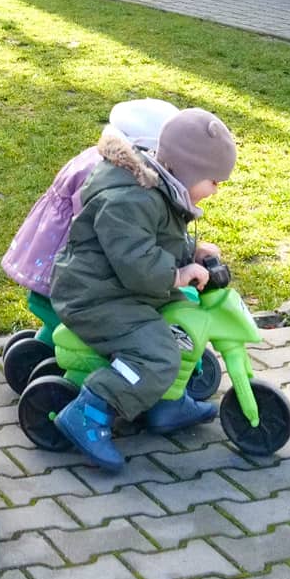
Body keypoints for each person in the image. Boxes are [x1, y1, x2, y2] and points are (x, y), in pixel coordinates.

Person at [48, 107, 239, 470]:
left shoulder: (159, 189)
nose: (216, 189)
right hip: (94, 296)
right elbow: (135, 259)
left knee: (182, 326)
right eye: (214, 180)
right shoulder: (130, 198)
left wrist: (191, 252)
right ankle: (90, 410)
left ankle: (165, 402)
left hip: (120, 288)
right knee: (157, 354)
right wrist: (177, 275)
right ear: (188, 171)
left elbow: (156, 240)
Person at [1, 99, 175, 318]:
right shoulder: (108, 174)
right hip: (67, 272)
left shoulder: (97, 157)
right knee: (75, 326)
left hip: (48, 256)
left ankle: (38, 348)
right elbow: (102, 226)